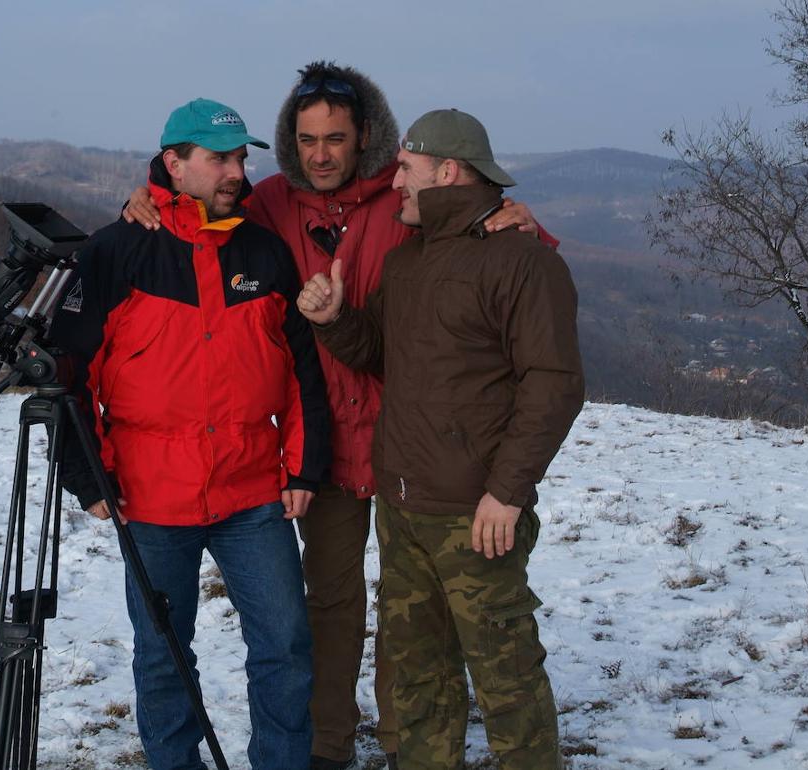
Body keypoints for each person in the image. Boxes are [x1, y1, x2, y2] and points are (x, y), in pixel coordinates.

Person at [123, 63, 555, 770]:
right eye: (307, 138)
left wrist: (521, 217)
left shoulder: (405, 198)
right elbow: (197, 214)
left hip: (407, 439)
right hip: (319, 440)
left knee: (412, 610)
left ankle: (403, 737)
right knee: (329, 603)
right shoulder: (267, 202)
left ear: (364, 140)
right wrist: (145, 194)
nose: (320, 153)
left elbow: (485, 239)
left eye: (336, 138)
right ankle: (327, 745)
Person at [296, 108, 584, 770]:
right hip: (402, 508)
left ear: (447, 171)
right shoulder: (409, 263)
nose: (394, 181)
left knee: (505, 680)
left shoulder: (523, 264)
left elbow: (555, 386)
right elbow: (382, 354)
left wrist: (507, 493)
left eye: (405, 169)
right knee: (421, 678)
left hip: (474, 513)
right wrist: (335, 320)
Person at [51, 97, 330, 770]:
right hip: (151, 496)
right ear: (174, 163)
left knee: (286, 645)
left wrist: (303, 468)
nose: (236, 171)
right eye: (219, 158)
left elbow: (301, 371)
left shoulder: (263, 252)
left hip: (252, 489)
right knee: (164, 654)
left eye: (240, 157)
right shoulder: (116, 252)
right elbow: (69, 379)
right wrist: (87, 480)